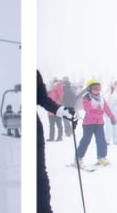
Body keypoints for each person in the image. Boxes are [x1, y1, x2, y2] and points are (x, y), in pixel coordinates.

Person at [37, 71, 76, 213]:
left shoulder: (35, 74)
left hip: (35, 129)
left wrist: (59, 109)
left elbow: (41, 98)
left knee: (38, 174)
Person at [73, 79, 115, 167]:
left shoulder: (101, 98)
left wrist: (111, 116)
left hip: (99, 123)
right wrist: (99, 112)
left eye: (99, 88)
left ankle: (101, 157)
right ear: (89, 89)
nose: (97, 90)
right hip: (89, 123)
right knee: (86, 140)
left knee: (101, 140)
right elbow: (88, 109)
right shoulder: (87, 98)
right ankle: (78, 158)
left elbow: (106, 108)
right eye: (94, 88)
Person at [47, 77, 66, 141]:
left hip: (57, 111)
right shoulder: (50, 91)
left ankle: (59, 137)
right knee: (52, 126)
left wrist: (59, 84)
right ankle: (52, 138)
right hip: (51, 111)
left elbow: (60, 94)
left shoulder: (59, 91)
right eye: (53, 83)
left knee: (58, 125)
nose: (54, 84)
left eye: (55, 83)